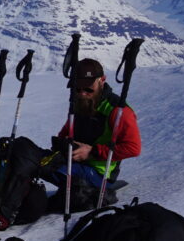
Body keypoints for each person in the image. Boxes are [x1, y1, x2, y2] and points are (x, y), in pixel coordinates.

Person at [45, 57, 141, 210]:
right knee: (34, 160)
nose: (82, 94)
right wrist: (62, 145)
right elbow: (65, 133)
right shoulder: (80, 104)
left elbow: (133, 148)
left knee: (43, 167)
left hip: (98, 174)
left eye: (89, 89)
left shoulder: (117, 110)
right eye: (78, 89)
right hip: (76, 164)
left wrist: (92, 152)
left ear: (102, 80)